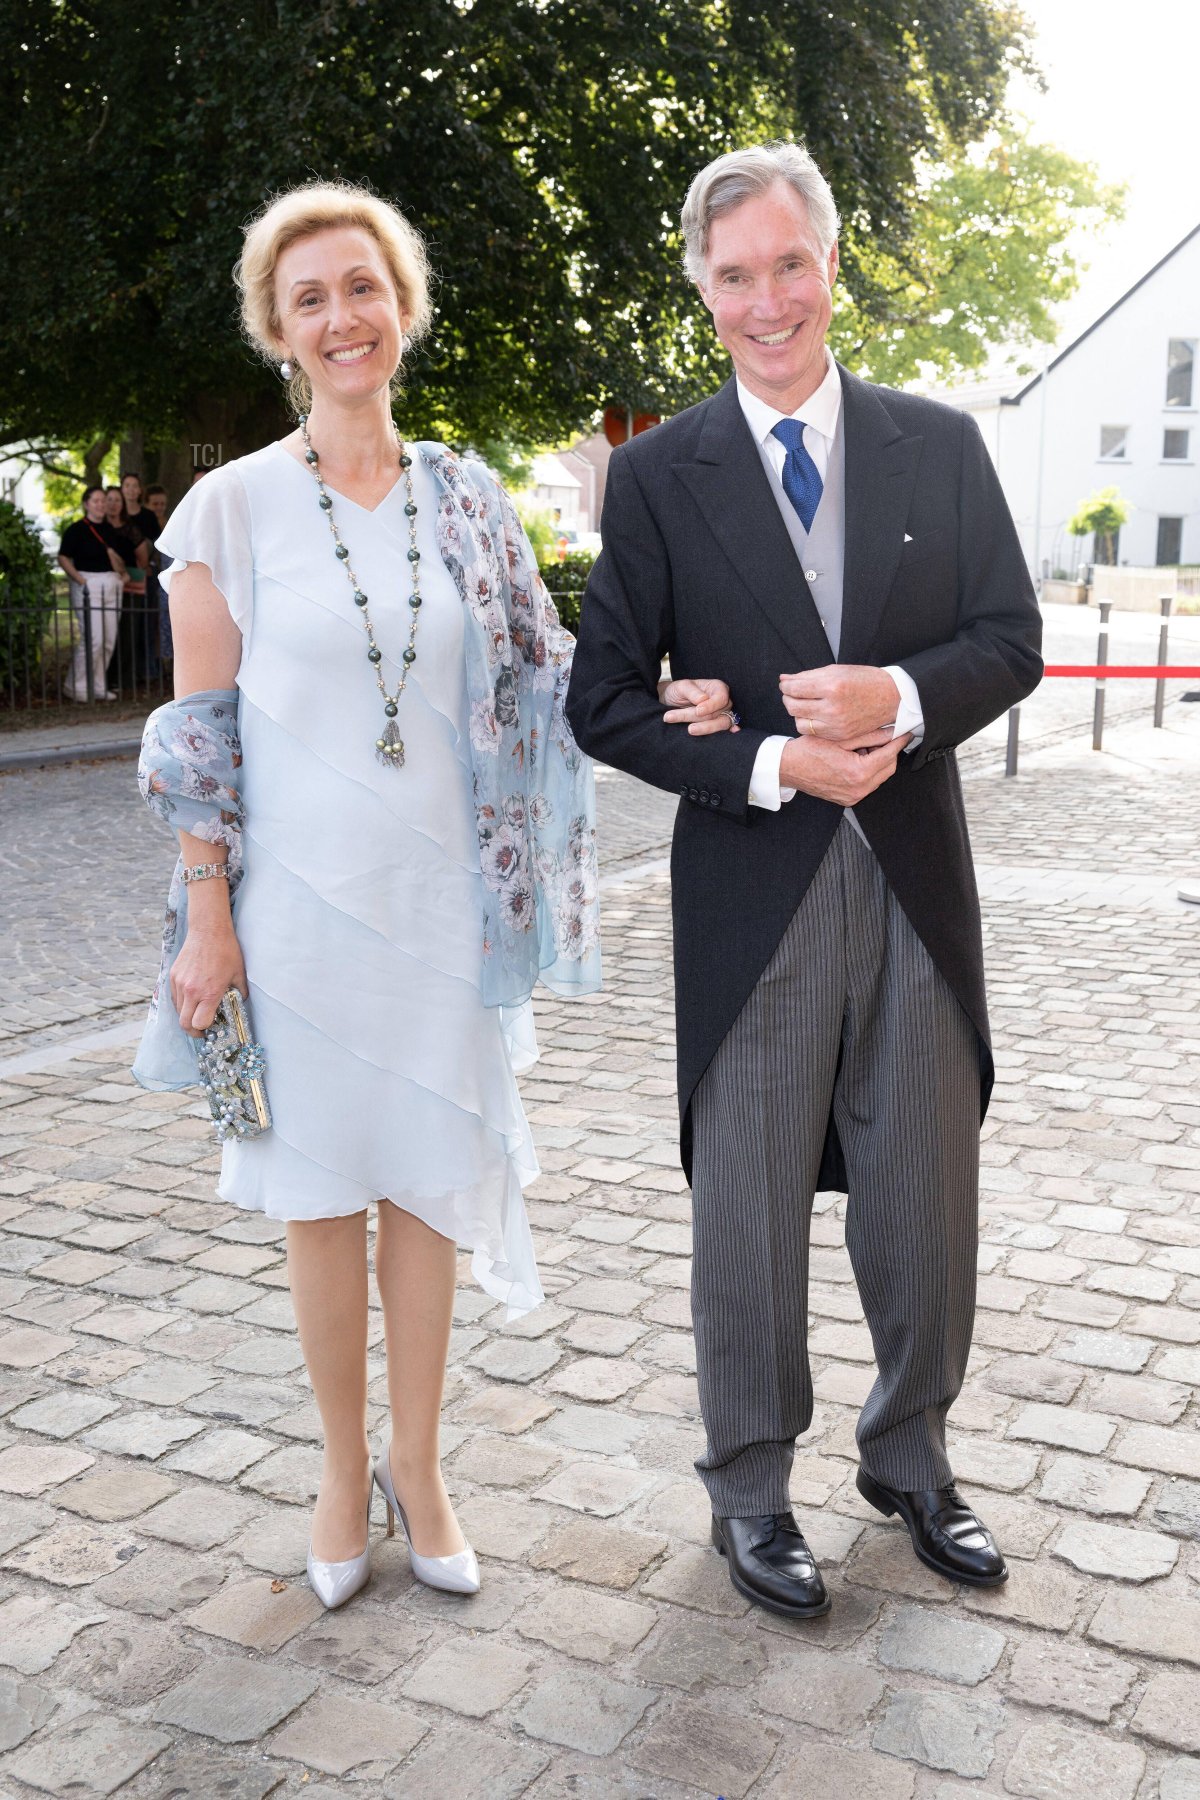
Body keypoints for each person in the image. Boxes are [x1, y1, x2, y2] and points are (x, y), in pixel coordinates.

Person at [566, 141, 1043, 1620]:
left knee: (924, 1200)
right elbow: (606, 702)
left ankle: (910, 1457)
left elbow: (1010, 639)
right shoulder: (655, 477)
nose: (765, 300)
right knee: (749, 1213)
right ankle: (750, 1492)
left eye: (788, 264)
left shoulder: (941, 447)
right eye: (732, 276)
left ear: (828, 265)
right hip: (752, 891)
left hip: (914, 887)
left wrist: (891, 697)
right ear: (702, 291)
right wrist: (771, 760)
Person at [133, 180, 602, 1612]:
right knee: (321, 1200)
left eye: (364, 288)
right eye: (312, 298)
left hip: (441, 913)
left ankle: (424, 1463)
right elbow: (199, 739)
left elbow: (546, 674)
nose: (344, 318)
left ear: (402, 308)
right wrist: (206, 916)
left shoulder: (469, 497)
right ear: (281, 331)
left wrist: (677, 684)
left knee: (430, 1191)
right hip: (294, 918)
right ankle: (342, 1471)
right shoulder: (229, 506)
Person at [56, 485, 124, 700]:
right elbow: (63, 557)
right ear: (86, 503)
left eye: (103, 501)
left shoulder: (110, 530)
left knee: (108, 640)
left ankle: (97, 685)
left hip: (110, 584)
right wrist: (80, 580)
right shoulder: (76, 529)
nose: (101, 504)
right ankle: (76, 686)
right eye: (96, 501)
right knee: (93, 639)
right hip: (88, 584)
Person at [145, 485, 173, 666]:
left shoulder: (169, 522)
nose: (159, 507)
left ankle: (166, 659)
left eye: (162, 503)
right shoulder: (145, 523)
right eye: (155, 503)